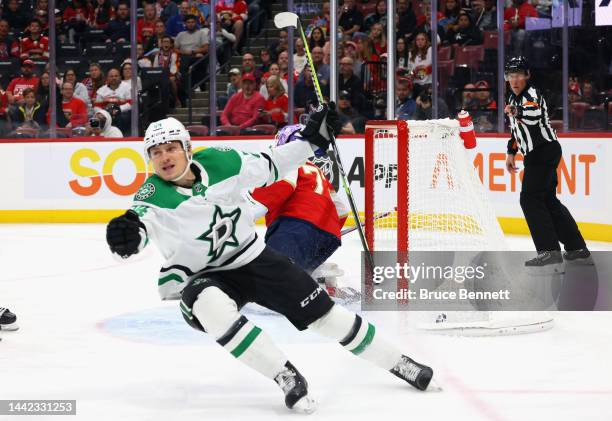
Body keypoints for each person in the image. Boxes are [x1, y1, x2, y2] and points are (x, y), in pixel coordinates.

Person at [105, 112, 433, 414]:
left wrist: (310, 141)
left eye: (171, 148)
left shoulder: (223, 162)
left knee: (327, 318)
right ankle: (285, 375)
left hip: (253, 258)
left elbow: (273, 163)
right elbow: (139, 224)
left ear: (187, 149)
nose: (164, 157)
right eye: (156, 152)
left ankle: (400, 363)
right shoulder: (151, 195)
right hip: (205, 277)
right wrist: (127, 237)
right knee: (211, 305)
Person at [503, 56, 591, 268]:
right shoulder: (512, 97)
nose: (515, 79)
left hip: (543, 151)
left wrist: (515, 111)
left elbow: (532, 116)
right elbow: (518, 129)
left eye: (519, 75)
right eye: (511, 75)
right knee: (548, 201)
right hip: (541, 152)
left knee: (530, 199)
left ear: (527, 76)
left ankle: (549, 251)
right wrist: (511, 151)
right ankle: (576, 247)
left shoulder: (531, 94)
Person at [250, 125, 348, 276]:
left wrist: (247, 214)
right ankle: (325, 289)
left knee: (272, 277)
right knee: (297, 276)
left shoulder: (284, 161)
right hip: (330, 237)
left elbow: (284, 185)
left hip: (294, 229)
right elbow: (341, 211)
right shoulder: (315, 170)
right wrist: (321, 230)